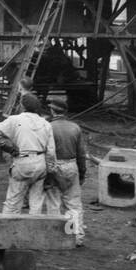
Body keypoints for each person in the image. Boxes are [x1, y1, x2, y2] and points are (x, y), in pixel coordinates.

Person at [0, 92, 56, 214]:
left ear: (22, 106)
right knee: (36, 202)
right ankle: (34, 228)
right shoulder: (46, 123)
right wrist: (50, 171)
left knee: (13, 201)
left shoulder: (15, 120)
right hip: (40, 162)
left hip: (22, 160)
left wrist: (8, 147)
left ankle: (10, 227)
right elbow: (51, 152)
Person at [42, 94, 88, 247]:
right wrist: (82, 173)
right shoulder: (75, 127)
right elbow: (81, 154)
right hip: (72, 165)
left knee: (53, 202)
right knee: (73, 204)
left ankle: (55, 237)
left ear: (52, 111)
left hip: (54, 166)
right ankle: (75, 236)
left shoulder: (48, 127)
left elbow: (45, 151)